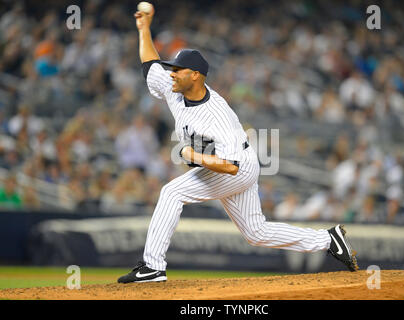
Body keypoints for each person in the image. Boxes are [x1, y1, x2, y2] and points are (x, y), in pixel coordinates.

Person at [118, 6, 358, 283]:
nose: (171, 74)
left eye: (178, 70)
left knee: (172, 192)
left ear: (195, 75)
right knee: (256, 233)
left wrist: (193, 155)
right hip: (227, 163)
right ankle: (329, 240)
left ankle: (152, 267)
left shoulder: (216, 116)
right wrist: (144, 29)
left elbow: (230, 168)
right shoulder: (176, 89)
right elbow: (150, 64)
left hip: (237, 166)